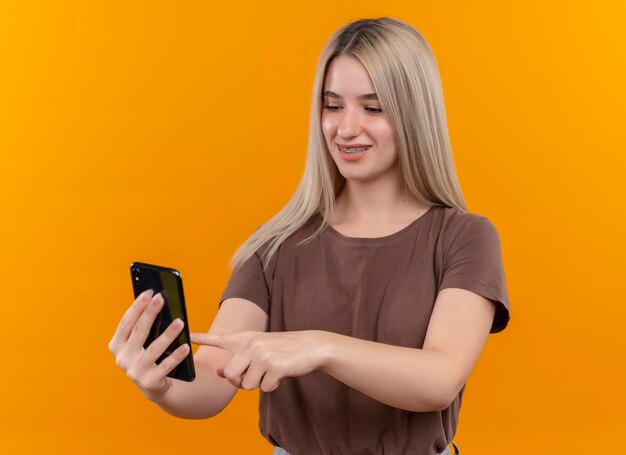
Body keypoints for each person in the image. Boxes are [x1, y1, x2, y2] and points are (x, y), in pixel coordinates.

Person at [109, 17, 510, 455]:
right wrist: (160, 382)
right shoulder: (275, 245)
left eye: (373, 108)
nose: (346, 127)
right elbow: (210, 380)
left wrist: (318, 347)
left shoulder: (464, 237)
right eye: (332, 105)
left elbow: (439, 380)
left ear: (415, 114)